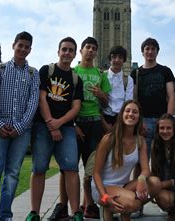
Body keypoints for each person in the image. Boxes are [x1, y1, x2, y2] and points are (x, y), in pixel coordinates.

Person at [0, 31, 40, 221]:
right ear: (14, 45)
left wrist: (20, 127)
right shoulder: (0, 69)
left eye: (26, 47)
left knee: (12, 175)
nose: (22, 49)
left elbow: (33, 103)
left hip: (22, 131)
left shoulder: (33, 73)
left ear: (30, 50)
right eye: (20, 45)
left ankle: (5, 216)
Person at [52, 36, 111, 220]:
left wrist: (101, 94)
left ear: (96, 51)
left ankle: (89, 205)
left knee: (91, 169)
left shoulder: (101, 74)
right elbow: (65, 103)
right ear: (81, 51)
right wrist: (74, 124)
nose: (90, 50)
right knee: (67, 168)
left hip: (94, 124)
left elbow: (107, 101)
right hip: (74, 125)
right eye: (87, 47)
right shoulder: (73, 72)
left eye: (94, 48)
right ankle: (63, 206)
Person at [26, 37, 84, 221]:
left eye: (70, 50)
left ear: (75, 54)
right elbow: (41, 98)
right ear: (58, 51)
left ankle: (76, 213)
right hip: (43, 126)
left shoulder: (76, 79)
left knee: (71, 170)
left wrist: (59, 124)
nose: (67, 53)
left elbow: (76, 107)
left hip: (65, 127)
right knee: (39, 169)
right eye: (64, 49)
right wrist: (51, 123)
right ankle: (34, 212)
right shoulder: (46, 70)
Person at [92, 100, 150, 221]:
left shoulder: (140, 141)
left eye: (135, 112)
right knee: (133, 202)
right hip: (103, 187)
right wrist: (104, 196)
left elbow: (145, 169)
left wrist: (141, 179)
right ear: (122, 114)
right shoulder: (109, 139)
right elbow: (96, 173)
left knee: (154, 183)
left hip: (124, 186)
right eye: (127, 111)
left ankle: (121, 210)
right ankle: (107, 205)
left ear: (139, 117)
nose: (131, 114)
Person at [130, 37, 175, 157]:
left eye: (153, 49)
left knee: (164, 158)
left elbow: (171, 96)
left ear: (157, 51)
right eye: (147, 49)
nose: (150, 51)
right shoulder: (136, 73)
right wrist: (139, 122)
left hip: (162, 121)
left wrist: (168, 119)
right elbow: (133, 99)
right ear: (142, 52)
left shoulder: (165, 71)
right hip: (143, 121)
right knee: (141, 160)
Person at [102, 45, 134, 132]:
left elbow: (128, 103)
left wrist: (117, 125)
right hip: (103, 119)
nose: (117, 60)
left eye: (120, 57)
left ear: (124, 60)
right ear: (110, 59)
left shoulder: (128, 80)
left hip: (121, 119)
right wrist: (105, 125)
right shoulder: (101, 76)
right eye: (114, 57)